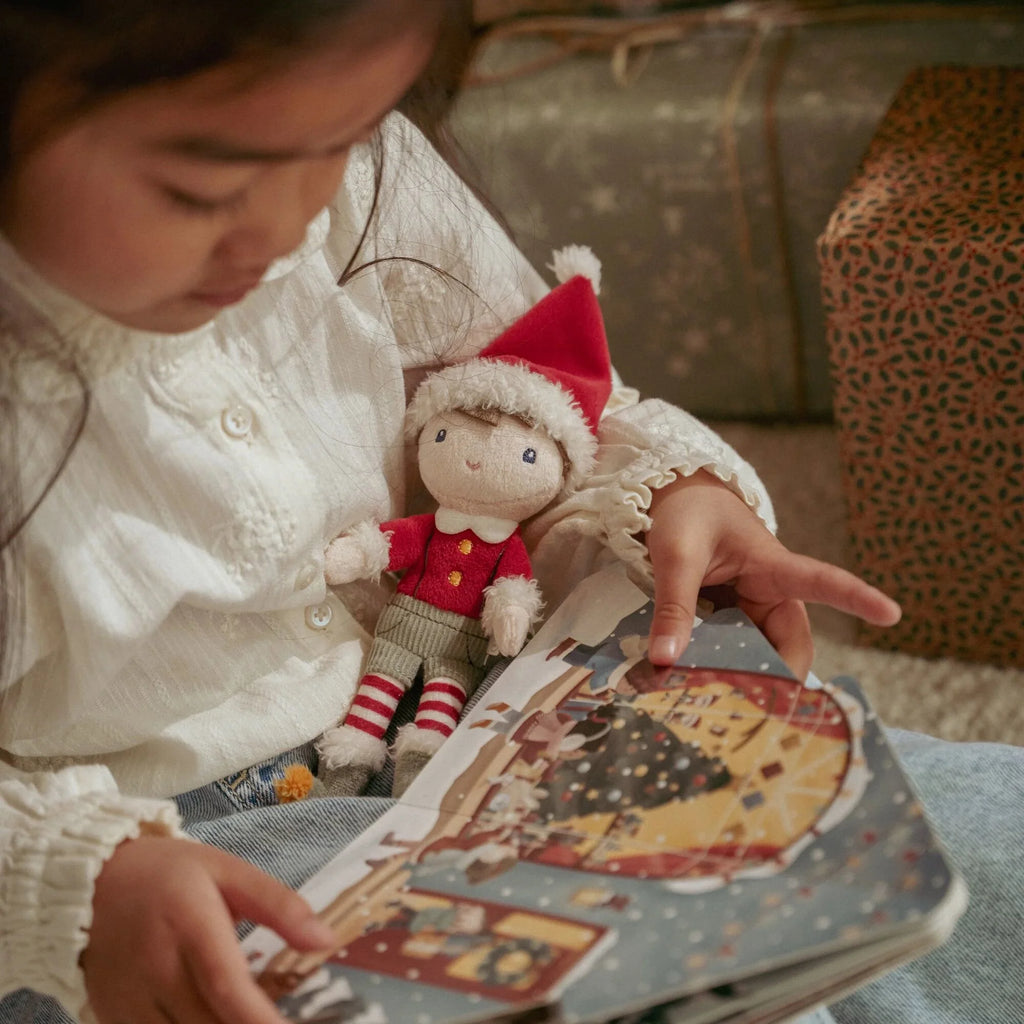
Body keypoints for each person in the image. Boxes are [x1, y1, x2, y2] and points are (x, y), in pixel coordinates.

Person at [0, 3, 1018, 1024]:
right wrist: (76, 882)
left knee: (964, 845)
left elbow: (534, 421)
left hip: (483, 709)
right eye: (203, 187)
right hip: (172, 857)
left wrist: (669, 495)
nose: (280, 232)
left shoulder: (344, 172)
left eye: (345, 142)